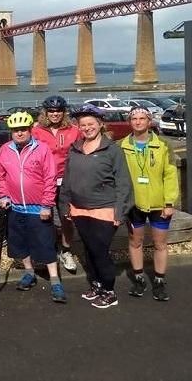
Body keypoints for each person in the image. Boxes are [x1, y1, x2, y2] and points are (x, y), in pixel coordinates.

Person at [59, 104, 133, 309]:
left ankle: (109, 291)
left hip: (105, 209)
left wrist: (121, 210)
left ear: (100, 124)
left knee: (100, 250)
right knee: (89, 249)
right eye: (83, 125)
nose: (86, 128)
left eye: (91, 124)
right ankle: (97, 284)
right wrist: (64, 205)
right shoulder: (75, 149)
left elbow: (123, 183)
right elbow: (67, 180)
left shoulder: (112, 150)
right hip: (79, 209)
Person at [0, 111, 66, 303]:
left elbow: (50, 178)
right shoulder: (4, 150)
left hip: (38, 208)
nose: (19, 133)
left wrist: (46, 205)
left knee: (45, 244)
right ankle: (29, 272)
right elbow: (1, 177)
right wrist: (3, 195)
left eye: (23, 130)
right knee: (21, 243)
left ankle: (55, 280)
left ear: (30, 130)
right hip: (15, 207)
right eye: (15, 130)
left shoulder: (42, 149)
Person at [120, 106, 178, 301]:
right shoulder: (121, 145)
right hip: (134, 203)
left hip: (158, 202)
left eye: (142, 118)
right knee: (135, 241)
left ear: (149, 121)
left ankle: (159, 281)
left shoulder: (163, 144)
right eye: (134, 118)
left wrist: (169, 202)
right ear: (130, 122)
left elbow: (170, 175)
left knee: (160, 243)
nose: (138, 122)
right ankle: (138, 279)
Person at [32, 96, 81, 273]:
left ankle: (66, 250)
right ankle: (49, 249)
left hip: (67, 180)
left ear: (64, 112)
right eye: (51, 111)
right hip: (44, 181)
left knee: (67, 218)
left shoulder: (74, 130)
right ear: (45, 112)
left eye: (58, 111)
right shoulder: (36, 130)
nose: (55, 114)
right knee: (46, 218)